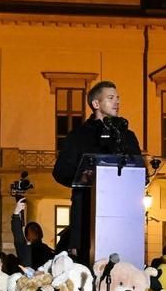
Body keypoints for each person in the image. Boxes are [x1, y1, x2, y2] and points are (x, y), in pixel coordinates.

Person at [51, 80, 142, 261]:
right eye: (110, 98)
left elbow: (139, 169)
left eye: (118, 98)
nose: (117, 102)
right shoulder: (78, 136)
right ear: (96, 104)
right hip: (87, 211)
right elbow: (60, 171)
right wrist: (85, 175)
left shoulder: (127, 137)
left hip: (122, 212)